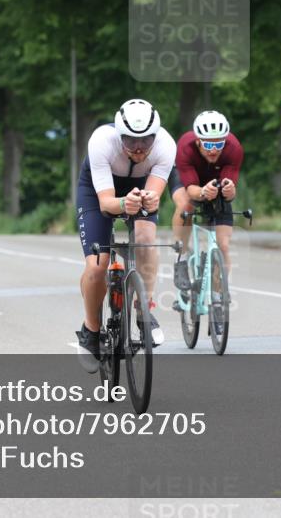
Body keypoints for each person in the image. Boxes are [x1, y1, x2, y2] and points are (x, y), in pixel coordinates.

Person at [75, 99, 174, 372]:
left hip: (140, 186)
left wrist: (150, 201)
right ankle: (91, 332)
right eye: (130, 141)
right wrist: (122, 204)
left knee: (145, 239)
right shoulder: (101, 141)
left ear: (156, 136)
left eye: (146, 140)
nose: (139, 147)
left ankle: (144, 313)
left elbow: (154, 193)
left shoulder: (166, 145)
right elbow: (106, 202)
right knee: (97, 265)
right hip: (99, 192)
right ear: (120, 136)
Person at [169, 110, 244, 293]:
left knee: (223, 245)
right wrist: (203, 191)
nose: (213, 149)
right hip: (188, 179)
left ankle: (218, 298)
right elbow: (191, 189)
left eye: (218, 144)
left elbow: (229, 192)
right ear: (198, 141)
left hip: (215, 178)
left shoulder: (234, 148)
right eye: (208, 143)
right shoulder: (186, 147)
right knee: (185, 204)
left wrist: (229, 190)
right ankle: (182, 257)